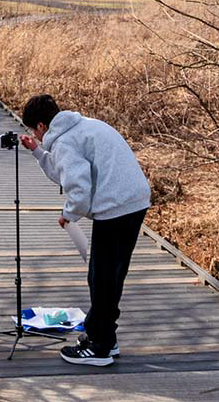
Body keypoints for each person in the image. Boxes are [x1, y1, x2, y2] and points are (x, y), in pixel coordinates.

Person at [18, 94, 150, 367]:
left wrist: (68, 215)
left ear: (41, 125)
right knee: (111, 275)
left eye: (34, 131)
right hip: (134, 202)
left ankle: (99, 348)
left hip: (116, 208)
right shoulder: (85, 125)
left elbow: (78, 190)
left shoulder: (65, 141)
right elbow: (65, 170)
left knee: (100, 278)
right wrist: (37, 152)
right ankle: (106, 339)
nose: (36, 135)